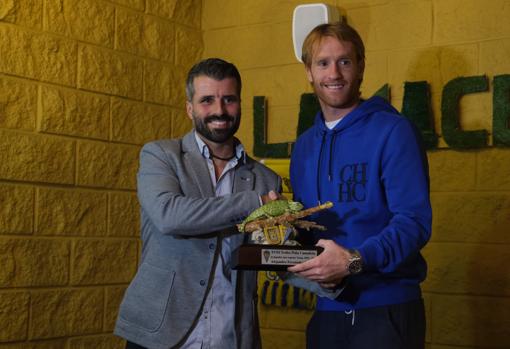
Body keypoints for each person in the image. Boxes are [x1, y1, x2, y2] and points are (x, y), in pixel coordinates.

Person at [114, 58, 281, 349]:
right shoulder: (160, 156)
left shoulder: (266, 180)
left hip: (231, 337)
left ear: (239, 103)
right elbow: (169, 216)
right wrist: (254, 203)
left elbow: (270, 256)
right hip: (162, 336)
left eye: (228, 99)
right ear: (189, 108)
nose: (219, 110)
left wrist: (330, 276)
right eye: (207, 100)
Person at [287, 21, 432, 349]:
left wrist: (355, 259)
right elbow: (308, 231)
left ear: (361, 66)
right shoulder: (304, 147)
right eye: (323, 63)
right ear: (309, 71)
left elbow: (414, 223)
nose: (334, 73)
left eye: (345, 61)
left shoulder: (394, 131)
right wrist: (277, 234)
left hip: (386, 308)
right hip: (327, 310)